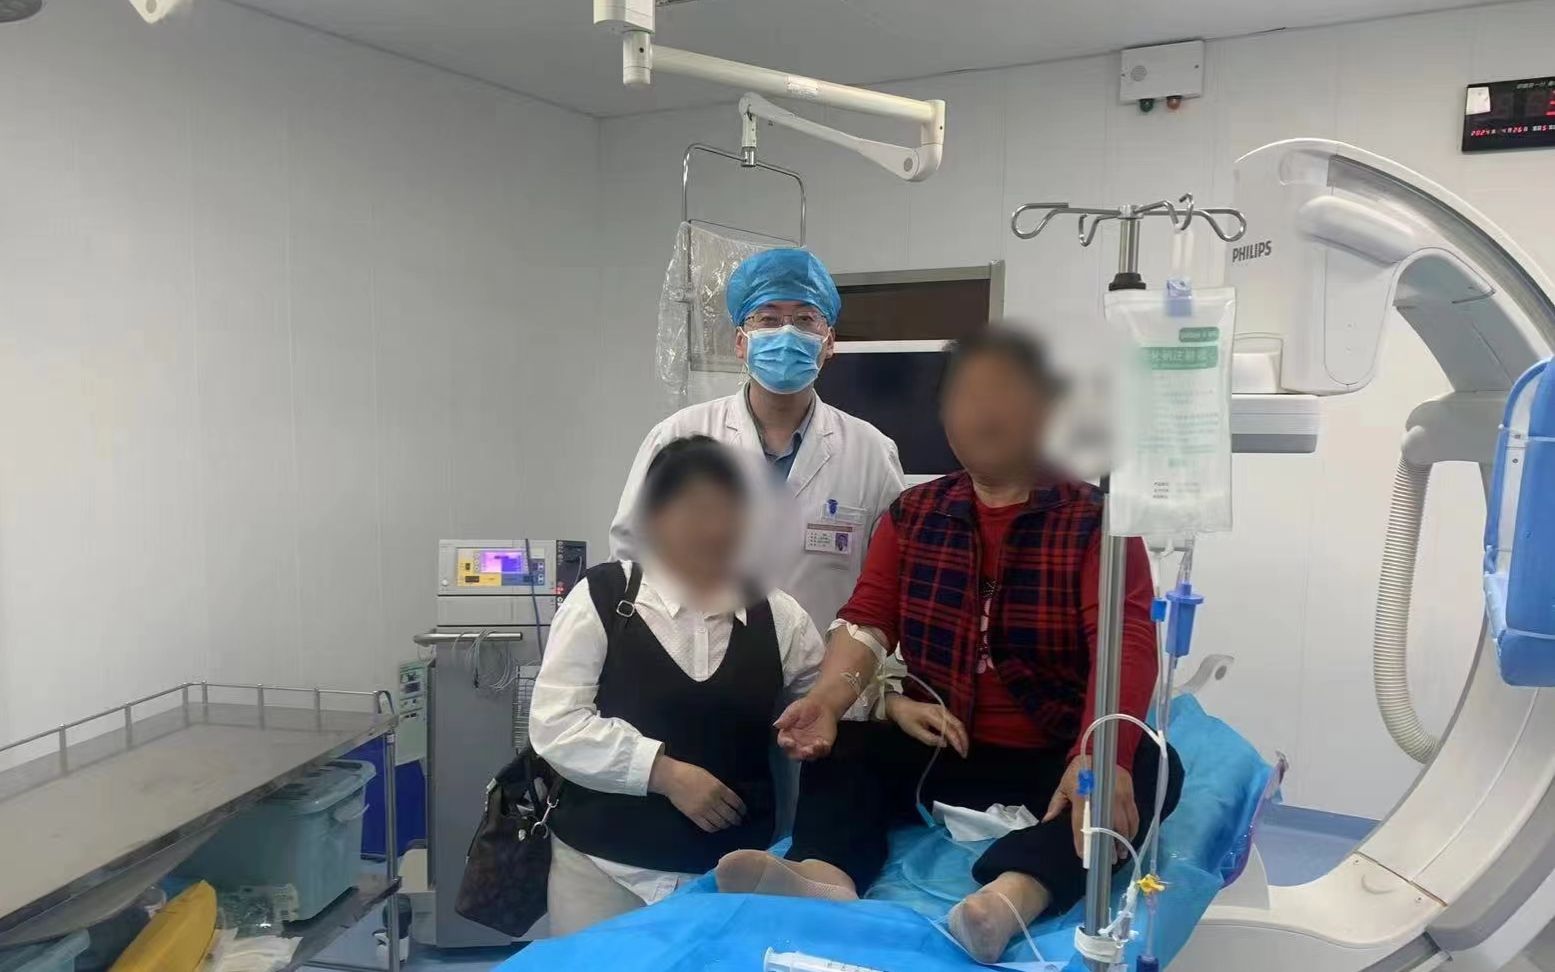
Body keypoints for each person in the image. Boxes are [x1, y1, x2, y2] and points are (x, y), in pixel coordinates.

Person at [714, 328, 1183, 963]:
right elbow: (867, 622)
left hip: (1055, 759)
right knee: (848, 747)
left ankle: (1010, 898)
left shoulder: (1097, 522)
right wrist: (826, 700)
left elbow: (1123, 642)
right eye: (965, 397)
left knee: (1151, 766)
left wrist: (1101, 757)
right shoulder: (914, 515)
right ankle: (825, 877)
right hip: (946, 751)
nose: (982, 414)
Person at [530, 436, 825, 936]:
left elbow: (826, 700)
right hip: (603, 872)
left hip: (730, 876)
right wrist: (663, 773)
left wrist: (862, 703)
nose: (714, 529)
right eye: (694, 510)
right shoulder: (603, 598)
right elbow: (555, 724)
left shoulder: (777, 614)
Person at [610, 248, 906, 635]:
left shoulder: (871, 452)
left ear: (829, 341)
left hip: (824, 667)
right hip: (697, 665)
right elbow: (631, 560)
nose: (786, 332)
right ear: (741, 342)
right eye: (768, 319)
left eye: (805, 319)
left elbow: (890, 584)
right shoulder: (678, 437)